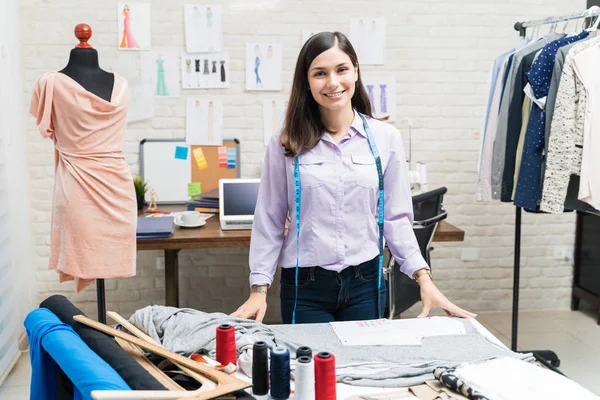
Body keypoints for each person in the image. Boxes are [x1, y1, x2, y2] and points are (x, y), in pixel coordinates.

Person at [232, 31, 476, 324]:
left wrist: (423, 277)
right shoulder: (286, 143)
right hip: (305, 286)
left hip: (366, 283)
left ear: (356, 72)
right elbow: (269, 219)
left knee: (363, 367)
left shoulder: (386, 138)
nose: (333, 82)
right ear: (307, 82)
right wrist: (259, 288)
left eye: (342, 69)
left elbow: (396, 218)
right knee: (310, 369)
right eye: (320, 73)